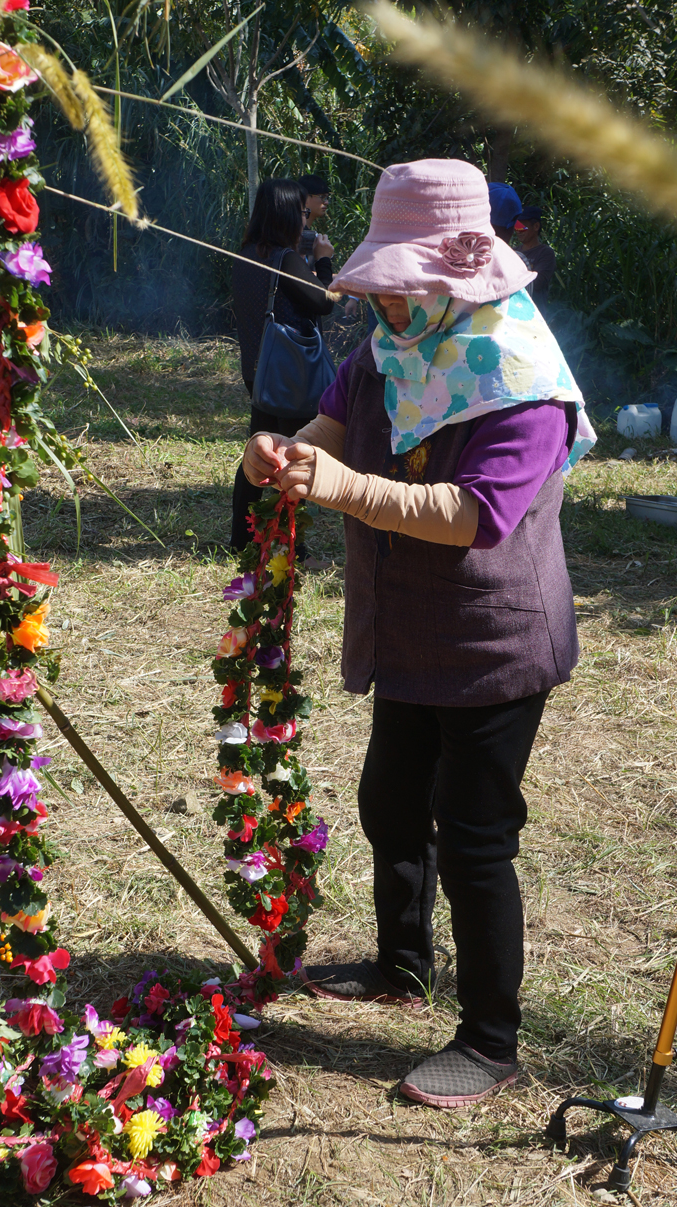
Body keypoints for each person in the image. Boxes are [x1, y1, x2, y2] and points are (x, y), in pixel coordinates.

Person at [241, 159, 596, 1108]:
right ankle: (402, 965)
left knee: (475, 837)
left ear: (456, 278)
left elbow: (472, 513)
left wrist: (345, 488)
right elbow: (331, 418)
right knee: (390, 802)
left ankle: (489, 1039)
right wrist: (284, 450)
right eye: (381, 285)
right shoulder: (390, 350)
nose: (388, 304)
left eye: (404, 287)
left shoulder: (517, 376)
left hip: (491, 643)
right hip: (407, 631)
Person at [230, 178, 334, 552]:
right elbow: (324, 301)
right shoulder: (285, 259)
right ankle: (293, 548)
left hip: (257, 371)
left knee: (257, 452)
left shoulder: (245, 254)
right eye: (303, 212)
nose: (306, 220)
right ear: (290, 215)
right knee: (293, 456)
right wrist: (323, 260)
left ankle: (241, 539)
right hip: (288, 373)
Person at [515, 206, 556, 308]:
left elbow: (536, 284)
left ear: (536, 226)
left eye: (522, 226)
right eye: (516, 226)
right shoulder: (512, 251)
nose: (518, 230)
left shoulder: (545, 253)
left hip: (534, 313)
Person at [298, 174, 331, 269]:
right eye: (322, 197)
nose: (326, 202)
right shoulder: (296, 235)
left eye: (327, 198)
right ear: (305, 198)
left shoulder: (309, 233)